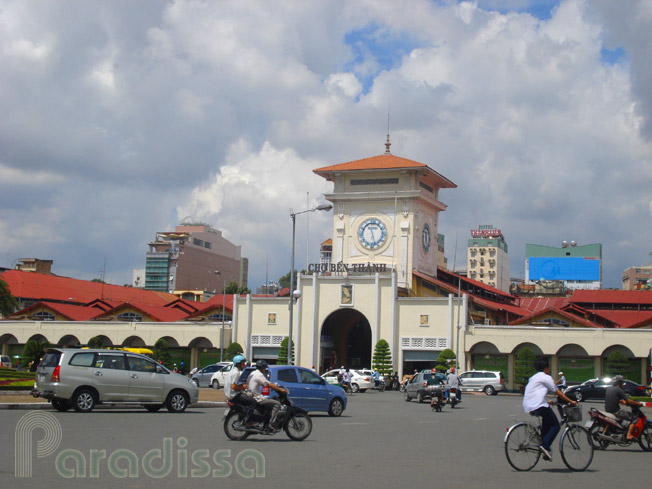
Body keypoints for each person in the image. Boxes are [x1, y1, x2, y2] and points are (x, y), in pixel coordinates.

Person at [522, 358, 577, 461]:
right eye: (549, 367)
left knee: (547, 423)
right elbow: (558, 392)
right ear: (546, 368)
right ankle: (545, 446)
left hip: (528, 405)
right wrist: (571, 401)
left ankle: (543, 444)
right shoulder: (546, 377)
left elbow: (537, 392)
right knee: (555, 426)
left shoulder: (533, 378)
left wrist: (548, 401)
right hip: (538, 405)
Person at [247, 360, 287, 431]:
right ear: (262, 368)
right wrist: (280, 390)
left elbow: (264, 383)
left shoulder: (253, 373)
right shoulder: (259, 375)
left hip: (251, 395)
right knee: (277, 404)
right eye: (265, 368)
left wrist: (273, 387)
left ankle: (265, 421)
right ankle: (271, 424)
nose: (265, 369)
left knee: (269, 402)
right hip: (257, 398)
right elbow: (268, 384)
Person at [605, 375, 642, 440]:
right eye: (622, 383)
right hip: (616, 411)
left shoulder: (609, 388)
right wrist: (638, 403)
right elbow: (628, 400)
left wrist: (622, 401)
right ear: (619, 383)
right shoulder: (619, 390)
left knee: (623, 418)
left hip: (608, 410)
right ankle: (629, 435)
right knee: (634, 417)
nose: (623, 384)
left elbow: (614, 399)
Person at [224, 355, 256, 425]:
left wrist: (241, 386)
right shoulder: (236, 373)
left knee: (245, 404)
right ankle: (248, 421)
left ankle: (242, 419)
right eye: (243, 363)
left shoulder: (232, 372)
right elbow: (233, 386)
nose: (244, 365)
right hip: (234, 396)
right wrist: (243, 387)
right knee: (253, 402)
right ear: (239, 364)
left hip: (231, 395)